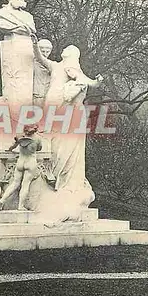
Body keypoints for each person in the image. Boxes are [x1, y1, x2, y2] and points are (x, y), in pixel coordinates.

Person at [31, 34, 104, 224]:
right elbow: (40, 59)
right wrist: (34, 45)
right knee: (48, 137)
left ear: (71, 55)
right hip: (52, 105)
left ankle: (58, 181)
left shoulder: (71, 66)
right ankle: (49, 171)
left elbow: (82, 79)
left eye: (69, 49)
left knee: (58, 141)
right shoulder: (55, 65)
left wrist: (95, 83)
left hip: (61, 106)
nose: (64, 50)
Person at [0, 124, 42, 211]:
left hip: (20, 162)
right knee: (25, 185)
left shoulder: (20, 137)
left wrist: (10, 149)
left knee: (15, 183)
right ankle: (21, 206)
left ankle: (2, 200)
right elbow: (39, 148)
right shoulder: (37, 139)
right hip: (30, 162)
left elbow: (12, 147)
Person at [33, 39, 53, 107]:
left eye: (47, 52)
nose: (45, 54)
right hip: (37, 95)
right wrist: (35, 45)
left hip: (48, 96)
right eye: (42, 51)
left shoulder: (51, 64)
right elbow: (39, 57)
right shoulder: (32, 64)